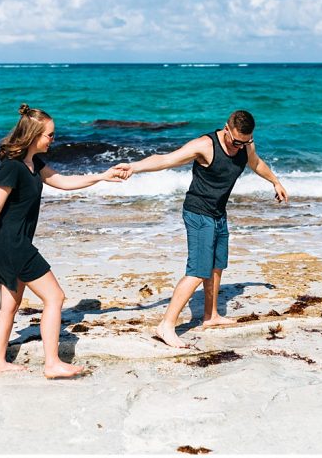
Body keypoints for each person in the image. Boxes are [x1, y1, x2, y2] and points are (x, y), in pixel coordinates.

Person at [0, 103, 129, 379]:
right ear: (32, 135)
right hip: (13, 246)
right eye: (49, 135)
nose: (53, 139)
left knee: (9, 306)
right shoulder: (11, 169)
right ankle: (51, 363)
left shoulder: (34, 164)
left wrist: (102, 176)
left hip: (11, 245)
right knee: (55, 297)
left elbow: (63, 182)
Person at [120, 109, 288, 348]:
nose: (240, 146)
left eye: (246, 141)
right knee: (198, 271)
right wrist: (134, 167)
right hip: (198, 213)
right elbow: (166, 159)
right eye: (236, 141)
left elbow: (256, 162)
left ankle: (211, 316)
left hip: (219, 213)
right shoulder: (204, 145)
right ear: (226, 129)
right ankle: (165, 325)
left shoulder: (245, 144)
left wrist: (275, 181)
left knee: (217, 265)